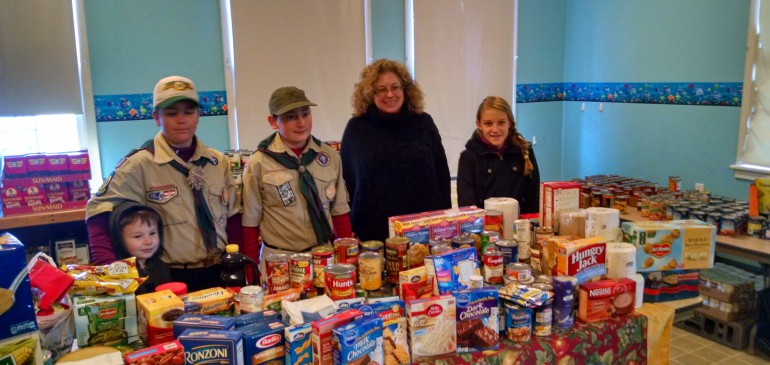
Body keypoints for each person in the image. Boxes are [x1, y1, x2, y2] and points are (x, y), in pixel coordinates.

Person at [86, 75, 242, 292]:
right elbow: (97, 212)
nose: (181, 120)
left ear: (198, 115)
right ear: (156, 117)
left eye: (189, 112)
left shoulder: (218, 162)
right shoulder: (139, 165)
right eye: (171, 113)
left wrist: (238, 263)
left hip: (220, 271)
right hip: (168, 276)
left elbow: (233, 217)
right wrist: (109, 267)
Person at [241, 86, 352, 281]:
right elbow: (250, 222)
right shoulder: (259, 162)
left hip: (323, 257)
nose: (301, 123)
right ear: (273, 122)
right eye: (290, 117)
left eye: (305, 114)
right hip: (280, 262)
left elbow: (340, 211)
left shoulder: (329, 156)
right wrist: (251, 271)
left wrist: (346, 259)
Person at [341, 59, 452, 242]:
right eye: (381, 89)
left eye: (395, 87)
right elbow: (347, 184)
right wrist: (349, 231)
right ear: (370, 94)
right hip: (372, 235)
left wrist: (445, 222)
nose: (390, 94)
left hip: (423, 231)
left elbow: (441, 175)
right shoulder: (356, 129)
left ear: (405, 89)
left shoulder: (424, 123)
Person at [457, 96, 540, 213]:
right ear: (479, 124)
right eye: (488, 123)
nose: (495, 129)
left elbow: (533, 200)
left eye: (501, 122)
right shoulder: (468, 158)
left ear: (509, 123)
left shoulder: (525, 151)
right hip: (483, 229)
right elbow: (467, 206)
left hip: (519, 227)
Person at [109, 201, 171, 294]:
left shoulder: (161, 267)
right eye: (137, 236)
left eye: (152, 233)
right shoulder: (118, 274)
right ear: (120, 239)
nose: (148, 241)